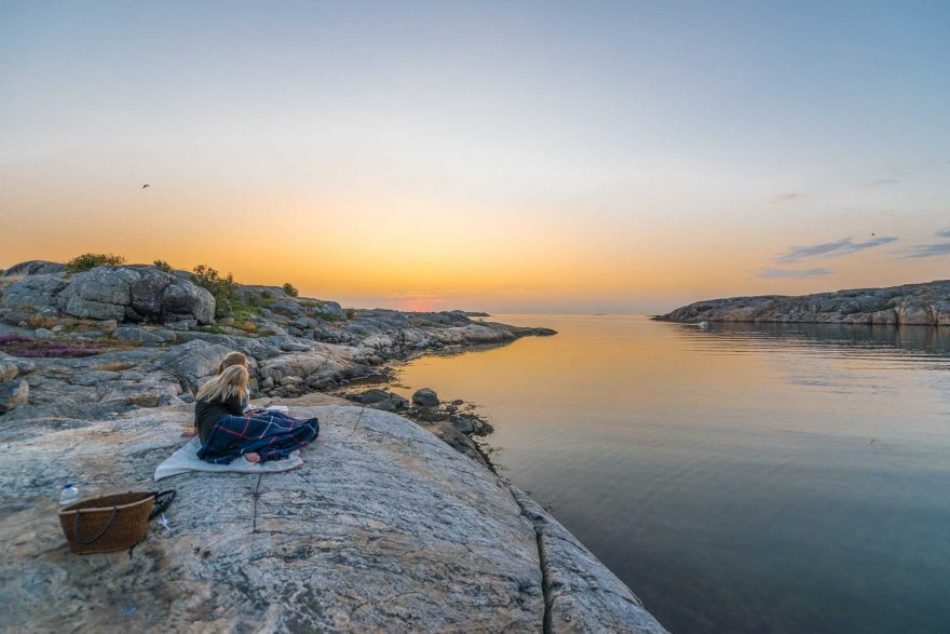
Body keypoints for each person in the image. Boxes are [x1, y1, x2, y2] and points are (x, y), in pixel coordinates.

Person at [193, 365, 319, 464]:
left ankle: (246, 448)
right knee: (266, 422)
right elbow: (238, 415)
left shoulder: (212, 386)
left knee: (264, 419)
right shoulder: (232, 390)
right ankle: (300, 429)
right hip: (220, 428)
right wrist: (251, 415)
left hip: (207, 436)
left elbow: (201, 414)